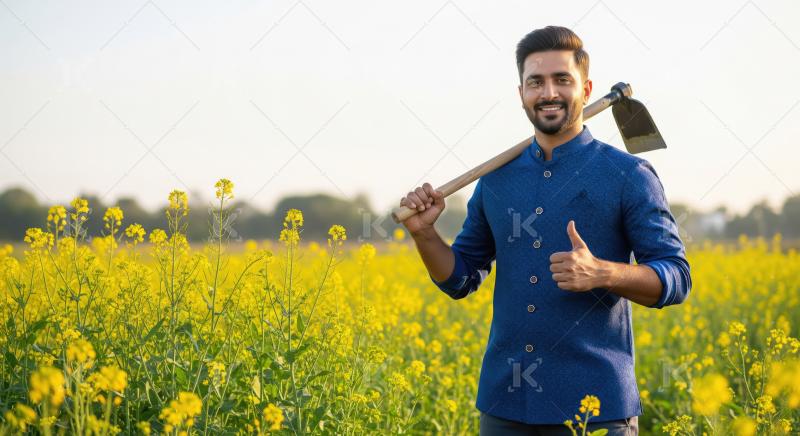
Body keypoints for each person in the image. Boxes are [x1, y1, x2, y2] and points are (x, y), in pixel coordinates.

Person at [399, 26, 691, 436]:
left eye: (562, 80)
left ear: (586, 89)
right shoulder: (495, 181)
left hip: (597, 413)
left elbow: (677, 278)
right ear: (521, 92)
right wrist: (424, 236)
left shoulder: (629, 175)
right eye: (536, 81)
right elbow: (461, 278)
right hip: (503, 410)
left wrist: (603, 273)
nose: (548, 92)